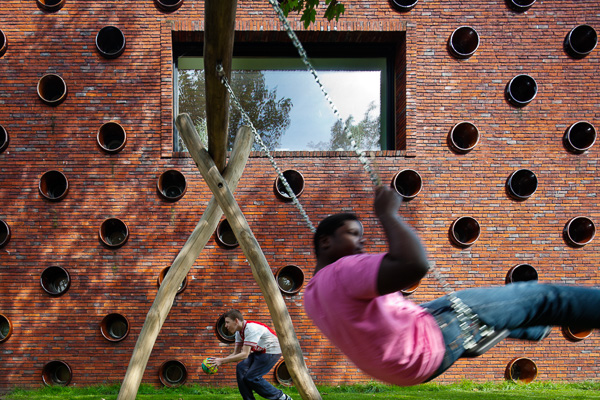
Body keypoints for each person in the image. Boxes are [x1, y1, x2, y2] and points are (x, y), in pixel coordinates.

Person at [304, 185, 600, 386]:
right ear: (327, 241)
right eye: (353, 234)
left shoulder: (312, 296)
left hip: (410, 366)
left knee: (446, 305)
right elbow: (414, 264)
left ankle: (531, 327)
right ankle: (535, 319)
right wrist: (387, 214)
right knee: (544, 298)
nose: (362, 241)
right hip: (432, 339)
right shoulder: (342, 270)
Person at [209, 309, 293, 400]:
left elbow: (245, 354)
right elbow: (236, 353)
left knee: (252, 377)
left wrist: (222, 361)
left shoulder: (251, 328)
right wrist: (218, 361)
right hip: (260, 351)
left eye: (227, 322)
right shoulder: (238, 332)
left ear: (236, 321)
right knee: (241, 368)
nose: (225, 326)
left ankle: (281, 397)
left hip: (272, 351)